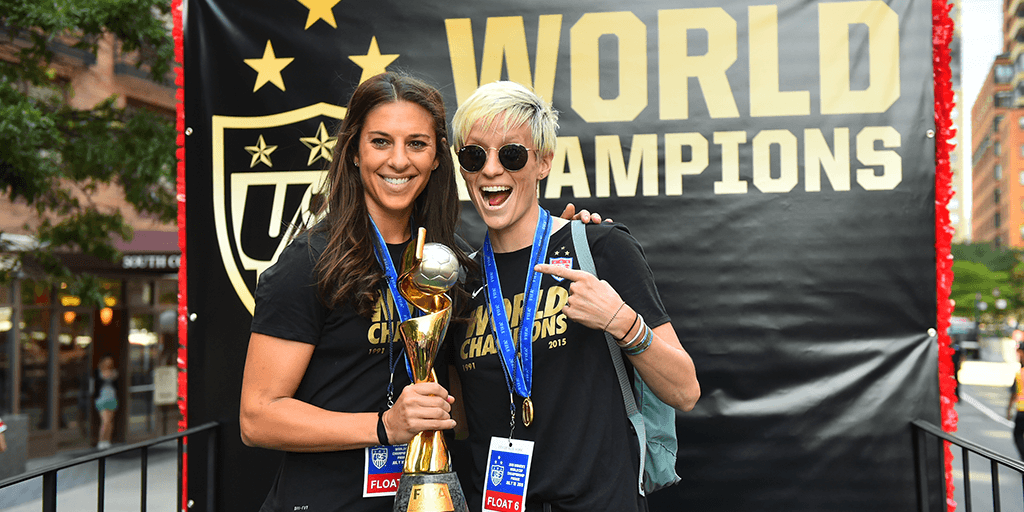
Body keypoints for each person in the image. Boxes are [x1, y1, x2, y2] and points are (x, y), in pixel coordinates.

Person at [239, 72, 599, 512]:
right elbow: (257, 417)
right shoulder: (311, 262)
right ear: (353, 151)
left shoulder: (450, 264)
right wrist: (383, 427)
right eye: (380, 142)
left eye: (416, 144)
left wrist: (570, 239)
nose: (398, 161)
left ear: (436, 158)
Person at [448, 81, 700, 512]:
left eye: (511, 154)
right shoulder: (461, 283)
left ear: (543, 162)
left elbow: (685, 391)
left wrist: (621, 322)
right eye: (474, 156)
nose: (490, 170)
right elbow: (463, 424)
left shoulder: (600, 249)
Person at [94, 354, 119, 450]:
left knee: (110, 421)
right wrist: (104, 378)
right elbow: (96, 385)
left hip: (112, 397)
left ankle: (107, 440)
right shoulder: (98, 372)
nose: (109, 363)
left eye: (110, 362)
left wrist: (114, 378)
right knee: (105, 421)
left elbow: (117, 386)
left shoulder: (114, 372)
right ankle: (101, 441)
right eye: (107, 362)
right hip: (101, 398)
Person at [1008, 343, 1024, 459]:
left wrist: (1009, 409)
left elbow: (1014, 394)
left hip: (1022, 410)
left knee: (1017, 435)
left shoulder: (1020, 373)